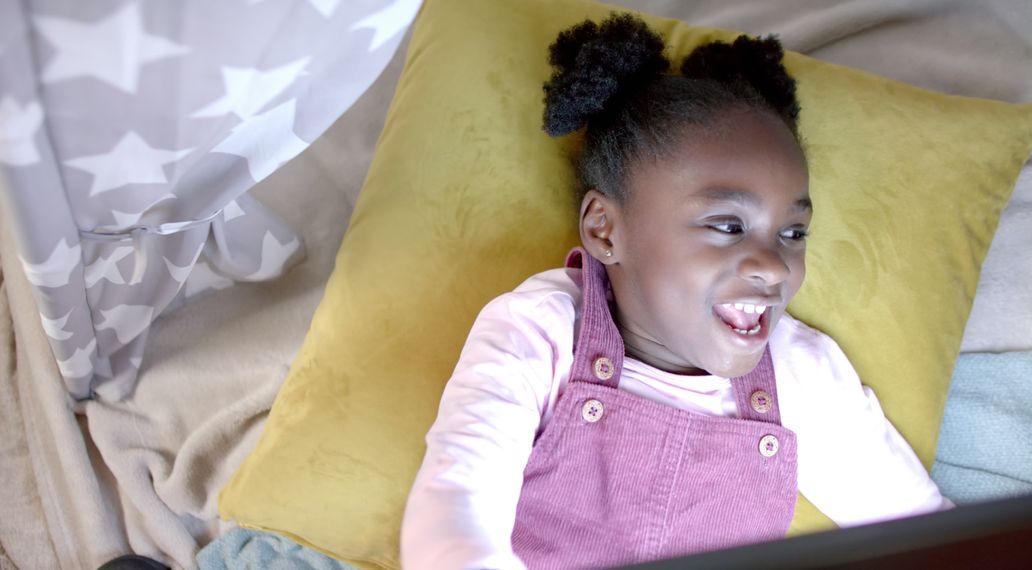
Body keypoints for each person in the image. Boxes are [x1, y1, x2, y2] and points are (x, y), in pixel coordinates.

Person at [400, 13, 952, 570]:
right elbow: (454, 511)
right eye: (728, 225)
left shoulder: (799, 375)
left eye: (793, 233)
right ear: (604, 230)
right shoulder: (539, 331)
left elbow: (928, 538)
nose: (773, 266)